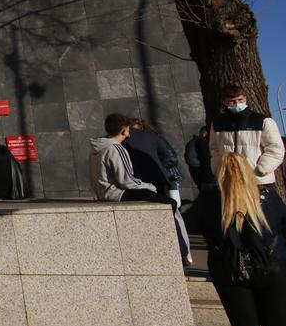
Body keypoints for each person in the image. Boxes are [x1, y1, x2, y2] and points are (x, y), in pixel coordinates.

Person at [195, 153, 286, 326]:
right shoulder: (268, 197)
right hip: (273, 266)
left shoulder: (208, 201)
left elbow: (201, 228)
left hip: (230, 269)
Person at [91, 113, 189, 263]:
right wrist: (148, 186)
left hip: (104, 192)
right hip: (118, 193)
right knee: (171, 204)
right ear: (124, 130)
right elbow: (127, 180)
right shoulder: (116, 148)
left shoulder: (97, 146)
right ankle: (181, 253)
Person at [209, 84, 285, 190]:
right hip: (229, 180)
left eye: (240, 100)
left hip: (258, 181)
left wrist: (262, 169)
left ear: (245, 98)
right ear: (224, 102)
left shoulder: (262, 121)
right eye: (232, 101)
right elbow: (214, 148)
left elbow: (276, 149)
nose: (237, 104)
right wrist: (218, 168)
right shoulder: (217, 124)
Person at [124, 118, 184, 206]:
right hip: (159, 178)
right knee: (168, 206)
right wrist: (159, 166)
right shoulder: (154, 136)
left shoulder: (124, 139)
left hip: (136, 180)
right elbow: (171, 158)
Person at [185, 126, 216, 191]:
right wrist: (204, 164)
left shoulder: (208, 142)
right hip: (202, 174)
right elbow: (190, 159)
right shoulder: (195, 143)